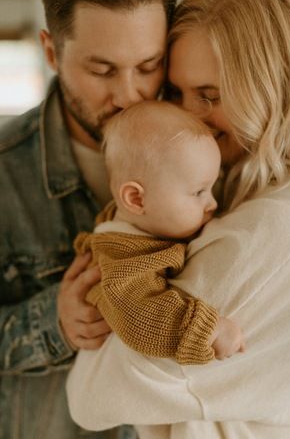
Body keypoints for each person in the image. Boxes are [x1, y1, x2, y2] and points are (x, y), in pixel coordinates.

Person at [66, 0, 290, 439]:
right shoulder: (219, 197)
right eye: (175, 92)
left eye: (210, 95)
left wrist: (103, 307)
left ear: (271, 89)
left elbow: (90, 396)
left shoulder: (270, 227)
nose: (189, 116)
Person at [0, 0, 177, 439]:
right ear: (50, 52)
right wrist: (52, 322)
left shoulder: (209, 153)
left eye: (148, 65)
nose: (129, 95)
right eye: (102, 70)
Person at [73, 100, 245, 365]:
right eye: (199, 192)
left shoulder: (142, 223)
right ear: (136, 200)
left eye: (212, 188)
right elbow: (138, 316)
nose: (212, 204)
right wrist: (206, 332)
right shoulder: (124, 259)